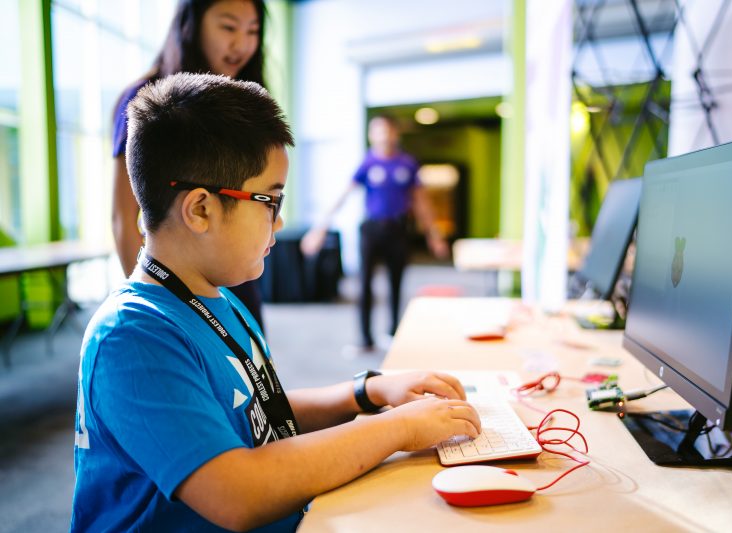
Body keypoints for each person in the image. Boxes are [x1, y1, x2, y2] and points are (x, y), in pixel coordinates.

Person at [72, 73, 481, 532]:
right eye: (270, 200)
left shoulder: (214, 297)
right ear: (201, 209)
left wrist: (364, 393)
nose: (280, 219)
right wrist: (399, 428)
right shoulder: (133, 337)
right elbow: (237, 493)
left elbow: (257, 412)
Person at [112, 0, 268, 329]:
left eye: (252, 31)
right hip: (176, 284)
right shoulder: (148, 101)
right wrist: (150, 305)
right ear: (191, 26)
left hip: (236, 279)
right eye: (228, 27)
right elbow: (124, 217)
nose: (241, 44)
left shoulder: (241, 106)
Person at [300, 115, 448, 351]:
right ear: (371, 135)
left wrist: (434, 234)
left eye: (388, 131)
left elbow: (421, 202)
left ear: (395, 134)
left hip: (398, 229)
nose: (383, 136)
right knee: (365, 283)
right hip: (371, 229)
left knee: (396, 283)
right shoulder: (368, 163)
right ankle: (365, 339)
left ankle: (392, 333)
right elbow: (343, 195)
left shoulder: (407, 164)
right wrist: (319, 229)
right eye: (377, 131)